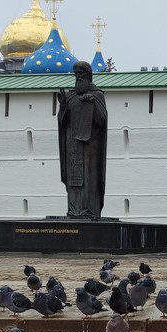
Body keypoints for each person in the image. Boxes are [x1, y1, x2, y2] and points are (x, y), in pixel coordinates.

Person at [56, 61, 109, 219]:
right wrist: (63, 106)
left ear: (88, 75)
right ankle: (74, 210)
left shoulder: (97, 95)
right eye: (76, 74)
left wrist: (92, 104)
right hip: (72, 145)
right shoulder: (70, 96)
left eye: (81, 74)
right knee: (74, 180)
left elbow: (102, 120)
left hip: (90, 148)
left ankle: (90, 210)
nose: (78, 77)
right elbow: (62, 122)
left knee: (89, 180)